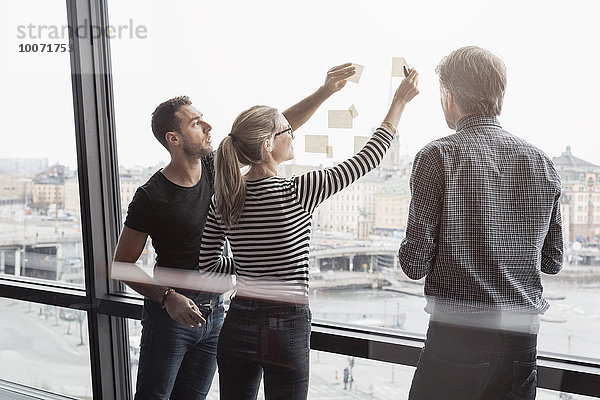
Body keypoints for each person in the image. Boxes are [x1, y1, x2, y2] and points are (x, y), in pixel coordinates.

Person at [113, 63, 358, 400]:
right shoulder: (151, 196)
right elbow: (122, 263)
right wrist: (168, 298)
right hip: (170, 319)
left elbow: (268, 134)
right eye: (196, 123)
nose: (209, 125)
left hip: (216, 317)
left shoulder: (218, 170)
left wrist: (325, 91)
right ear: (174, 138)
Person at [198, 69, 419, 399]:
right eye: (287, 130)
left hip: (238, 321)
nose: (293, 134)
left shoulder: (225, 198)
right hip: (285, 322)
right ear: (268, 144)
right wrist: (399, 102)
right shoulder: (299, 190)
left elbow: (207, 267)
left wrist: (248, 265)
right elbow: (369, 157)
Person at [398, 46, 563, 400]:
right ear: (498, 97)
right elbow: (552, 261)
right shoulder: (542, 161)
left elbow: (413, 265)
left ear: (450, 97)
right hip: (522, 341)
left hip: (458, 336)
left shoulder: (437, 155)